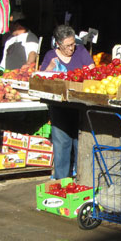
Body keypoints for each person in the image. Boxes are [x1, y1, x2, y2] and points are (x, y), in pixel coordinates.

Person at [42, 25, 94, 179]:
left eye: (73, 44)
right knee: (61, 143)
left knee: (80, 141)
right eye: (67, 46)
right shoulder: (50, 55)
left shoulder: (81, 51)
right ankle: (62, 179)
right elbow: (42, 77)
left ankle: (81, 177)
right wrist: (50, 67)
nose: (71, 48)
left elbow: (92, 70)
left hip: (80, 105)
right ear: (58, 44)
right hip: (59, 106)